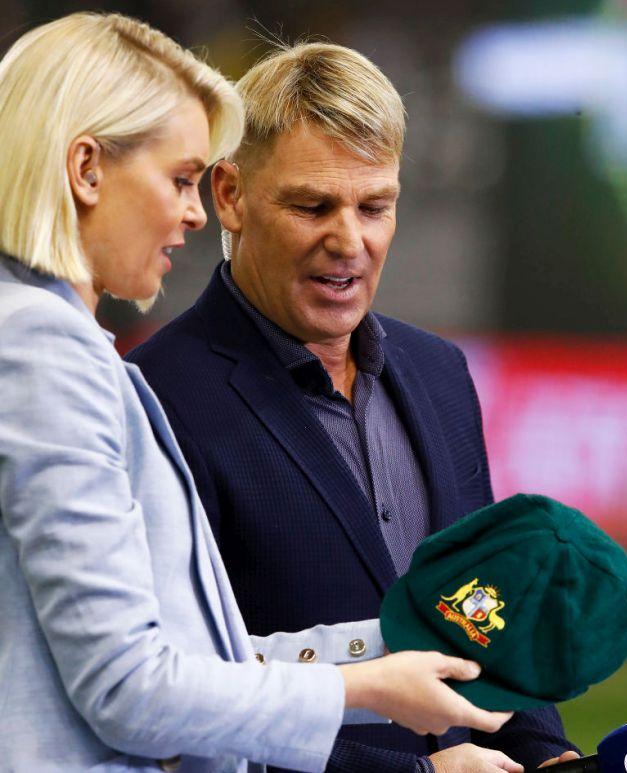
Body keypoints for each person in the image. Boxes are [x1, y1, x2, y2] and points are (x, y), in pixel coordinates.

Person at [0, 14, 518, 773]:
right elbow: (130, 688)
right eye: (180, 179)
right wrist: (367, 700)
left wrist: (385, 655)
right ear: (85, 170)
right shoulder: (44, 346)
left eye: (375, 205)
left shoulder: (54, 343)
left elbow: (191, 649)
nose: (193, 212)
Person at [127, 42, 581, 773]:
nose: (349, 240)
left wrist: (546, 748)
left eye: (375, 206)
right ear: (230, 195)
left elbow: (486, 603)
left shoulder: (438, 372)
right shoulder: (154, 395)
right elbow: (175, 699)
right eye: (313, 205)